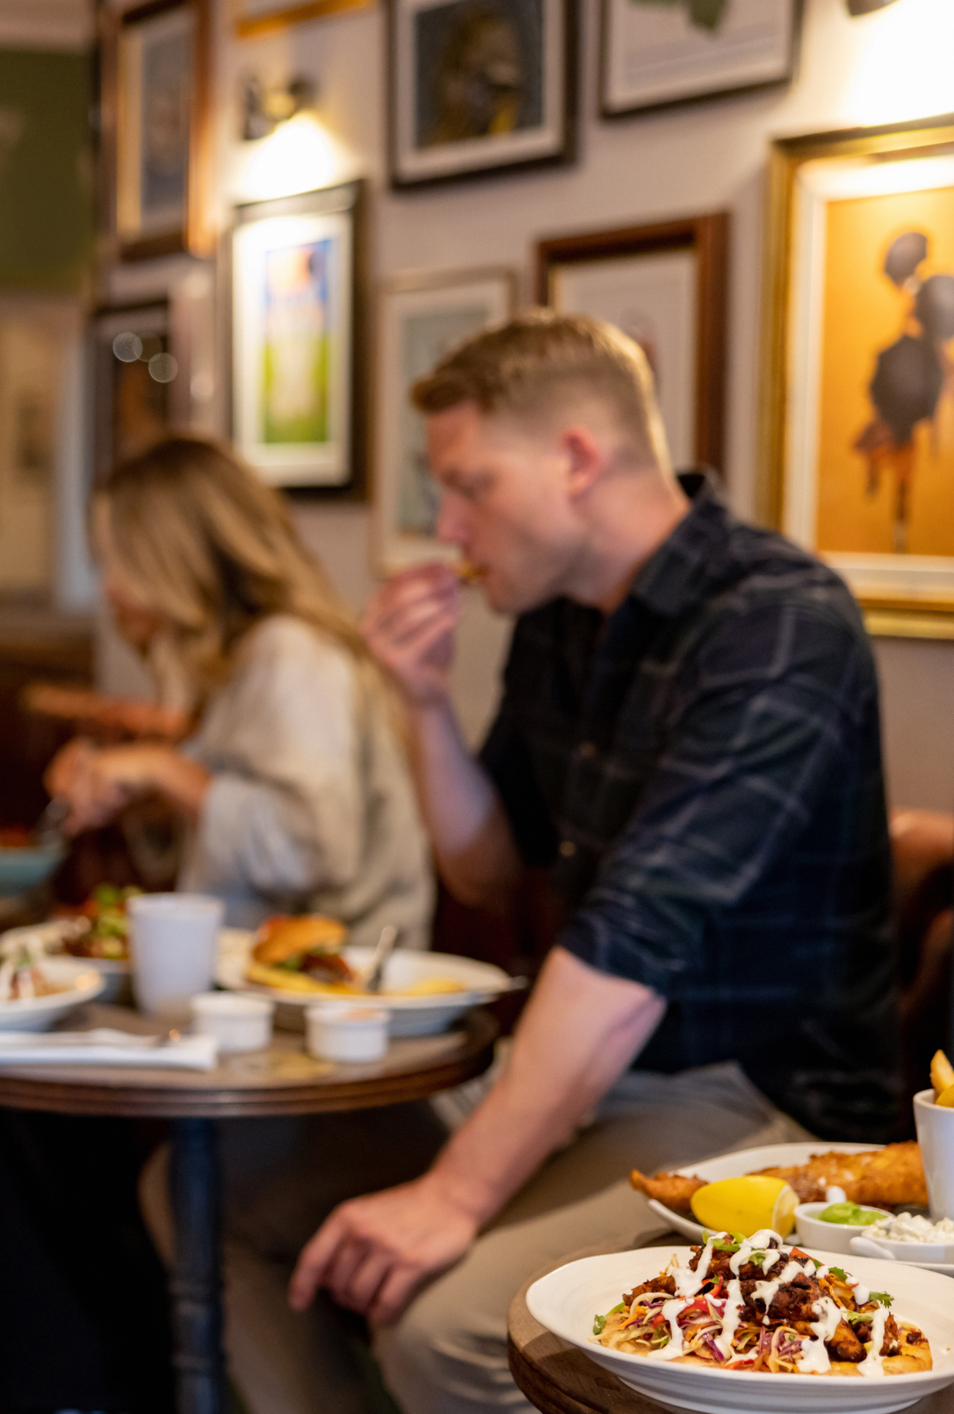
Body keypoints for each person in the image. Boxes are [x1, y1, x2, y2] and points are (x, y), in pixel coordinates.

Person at [287, 312, 900, 1414]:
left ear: (574, 456)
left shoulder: (775, 621)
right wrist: (418, 700)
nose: (446, 525)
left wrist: (449, 1195)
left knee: (444, 1332)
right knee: (234, 1196)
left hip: (753, 1096)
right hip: (579, 1062)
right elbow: (486, 869)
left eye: (467, 485)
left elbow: (627, 947)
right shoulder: (559, 616)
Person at [44, 435, 432, 949]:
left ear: (176, 561)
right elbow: (234, 812)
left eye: (120, 562)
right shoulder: (235, 657)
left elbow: (317, 850)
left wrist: (166, 769)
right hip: (266, 980)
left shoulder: (292, 653)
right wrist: (136, 791)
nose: (108, 587)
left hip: (343, 987)